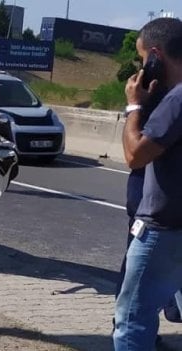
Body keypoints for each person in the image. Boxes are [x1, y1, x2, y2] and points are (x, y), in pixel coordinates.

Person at [114, 17, 182, 350]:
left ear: (155, 54)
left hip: (163, 230)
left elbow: (134, 156)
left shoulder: (177, 100)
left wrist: (135, 106)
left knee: (132, 321)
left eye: (144, 59)